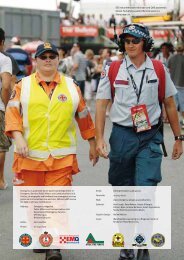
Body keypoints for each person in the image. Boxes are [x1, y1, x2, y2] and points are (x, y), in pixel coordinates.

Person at [95, 23, 183, 260]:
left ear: (145, 43)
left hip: (150, 136)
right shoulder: (112, 69)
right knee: (123, 192)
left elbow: (170, 104)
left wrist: (178, 138)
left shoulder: (158, 69)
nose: (130, 44)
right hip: (122, 135)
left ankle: (141, 243)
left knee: (146, 191)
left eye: (135, 40)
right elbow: (102, 103)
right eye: (126, 41)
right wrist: (99, 138)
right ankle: (126, 244)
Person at [5, 42, 98, 260]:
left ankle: (54, 244)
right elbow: (12, 114)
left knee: (56, 203)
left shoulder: (71, 87)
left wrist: (93, 143)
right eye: (43, 56)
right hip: (29, 157)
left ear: (58, 60)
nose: (47, 60)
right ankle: (40, 235)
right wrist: (18, 138)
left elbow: (84, 116)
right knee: (35, 204)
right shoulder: (22, 86)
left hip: (61, 159)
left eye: (52, 56)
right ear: (35, 61)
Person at [0, 29, 12, 190]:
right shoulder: (4, 59)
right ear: (2, 42)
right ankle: (0, 180)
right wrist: (7, 106)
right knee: (1, 146)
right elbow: (6, 86)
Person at [168, 42, 184, 129]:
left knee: (173, 105)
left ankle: (175, 124)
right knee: (183, 106)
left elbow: (168, 69)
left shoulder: (171, 58)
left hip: (173, 85)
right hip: (182, 85)